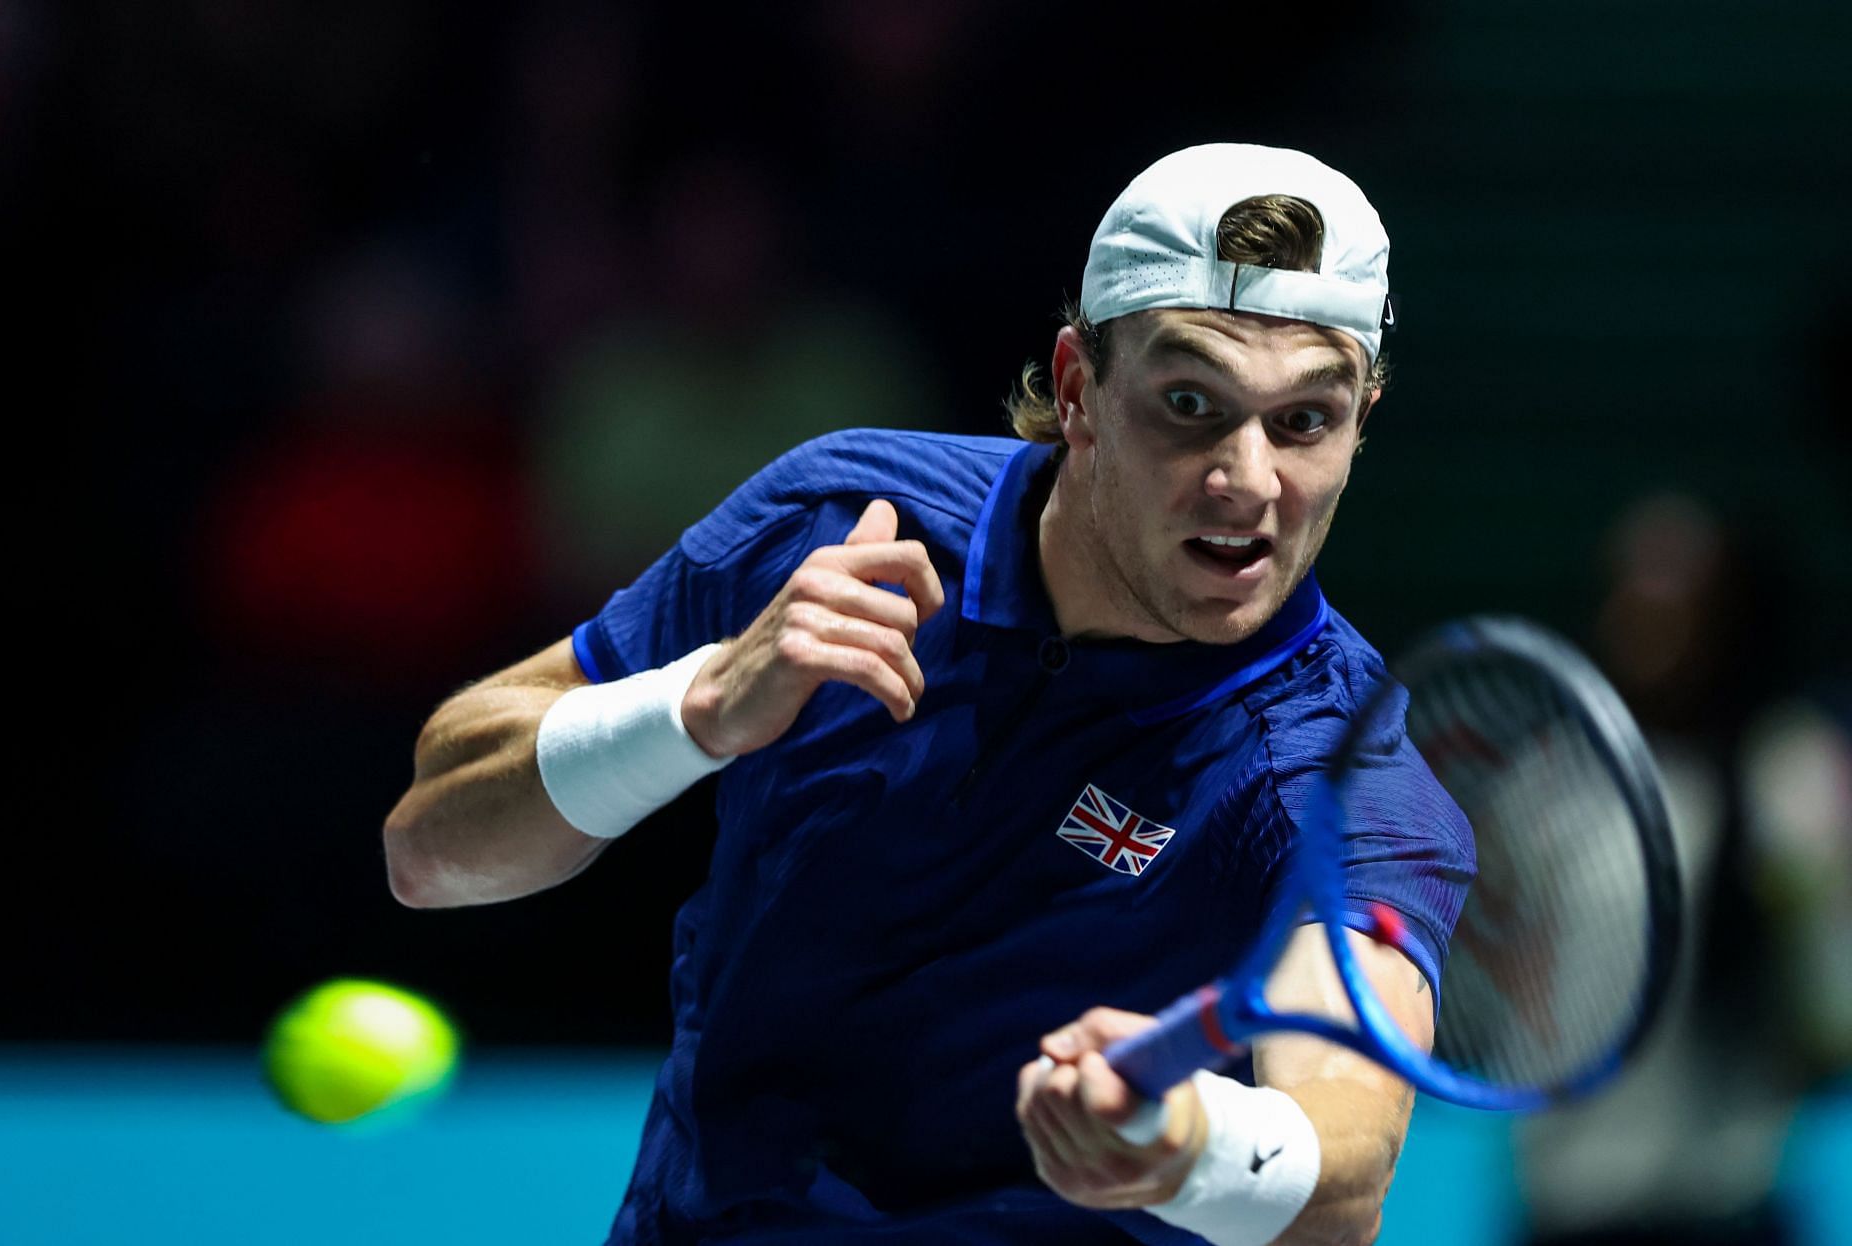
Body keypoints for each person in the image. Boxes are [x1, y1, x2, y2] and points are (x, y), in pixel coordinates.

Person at [384, 143, 1474, 1245]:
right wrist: (696, 705)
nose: (1247, 479)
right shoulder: (842, 520)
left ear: (1360, 423)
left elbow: (1344, 1171)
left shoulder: (1335, 770)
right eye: (1189, 401)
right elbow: (428, 847)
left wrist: (1188, 1141)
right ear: (1077, 387)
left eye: (1305, 421)